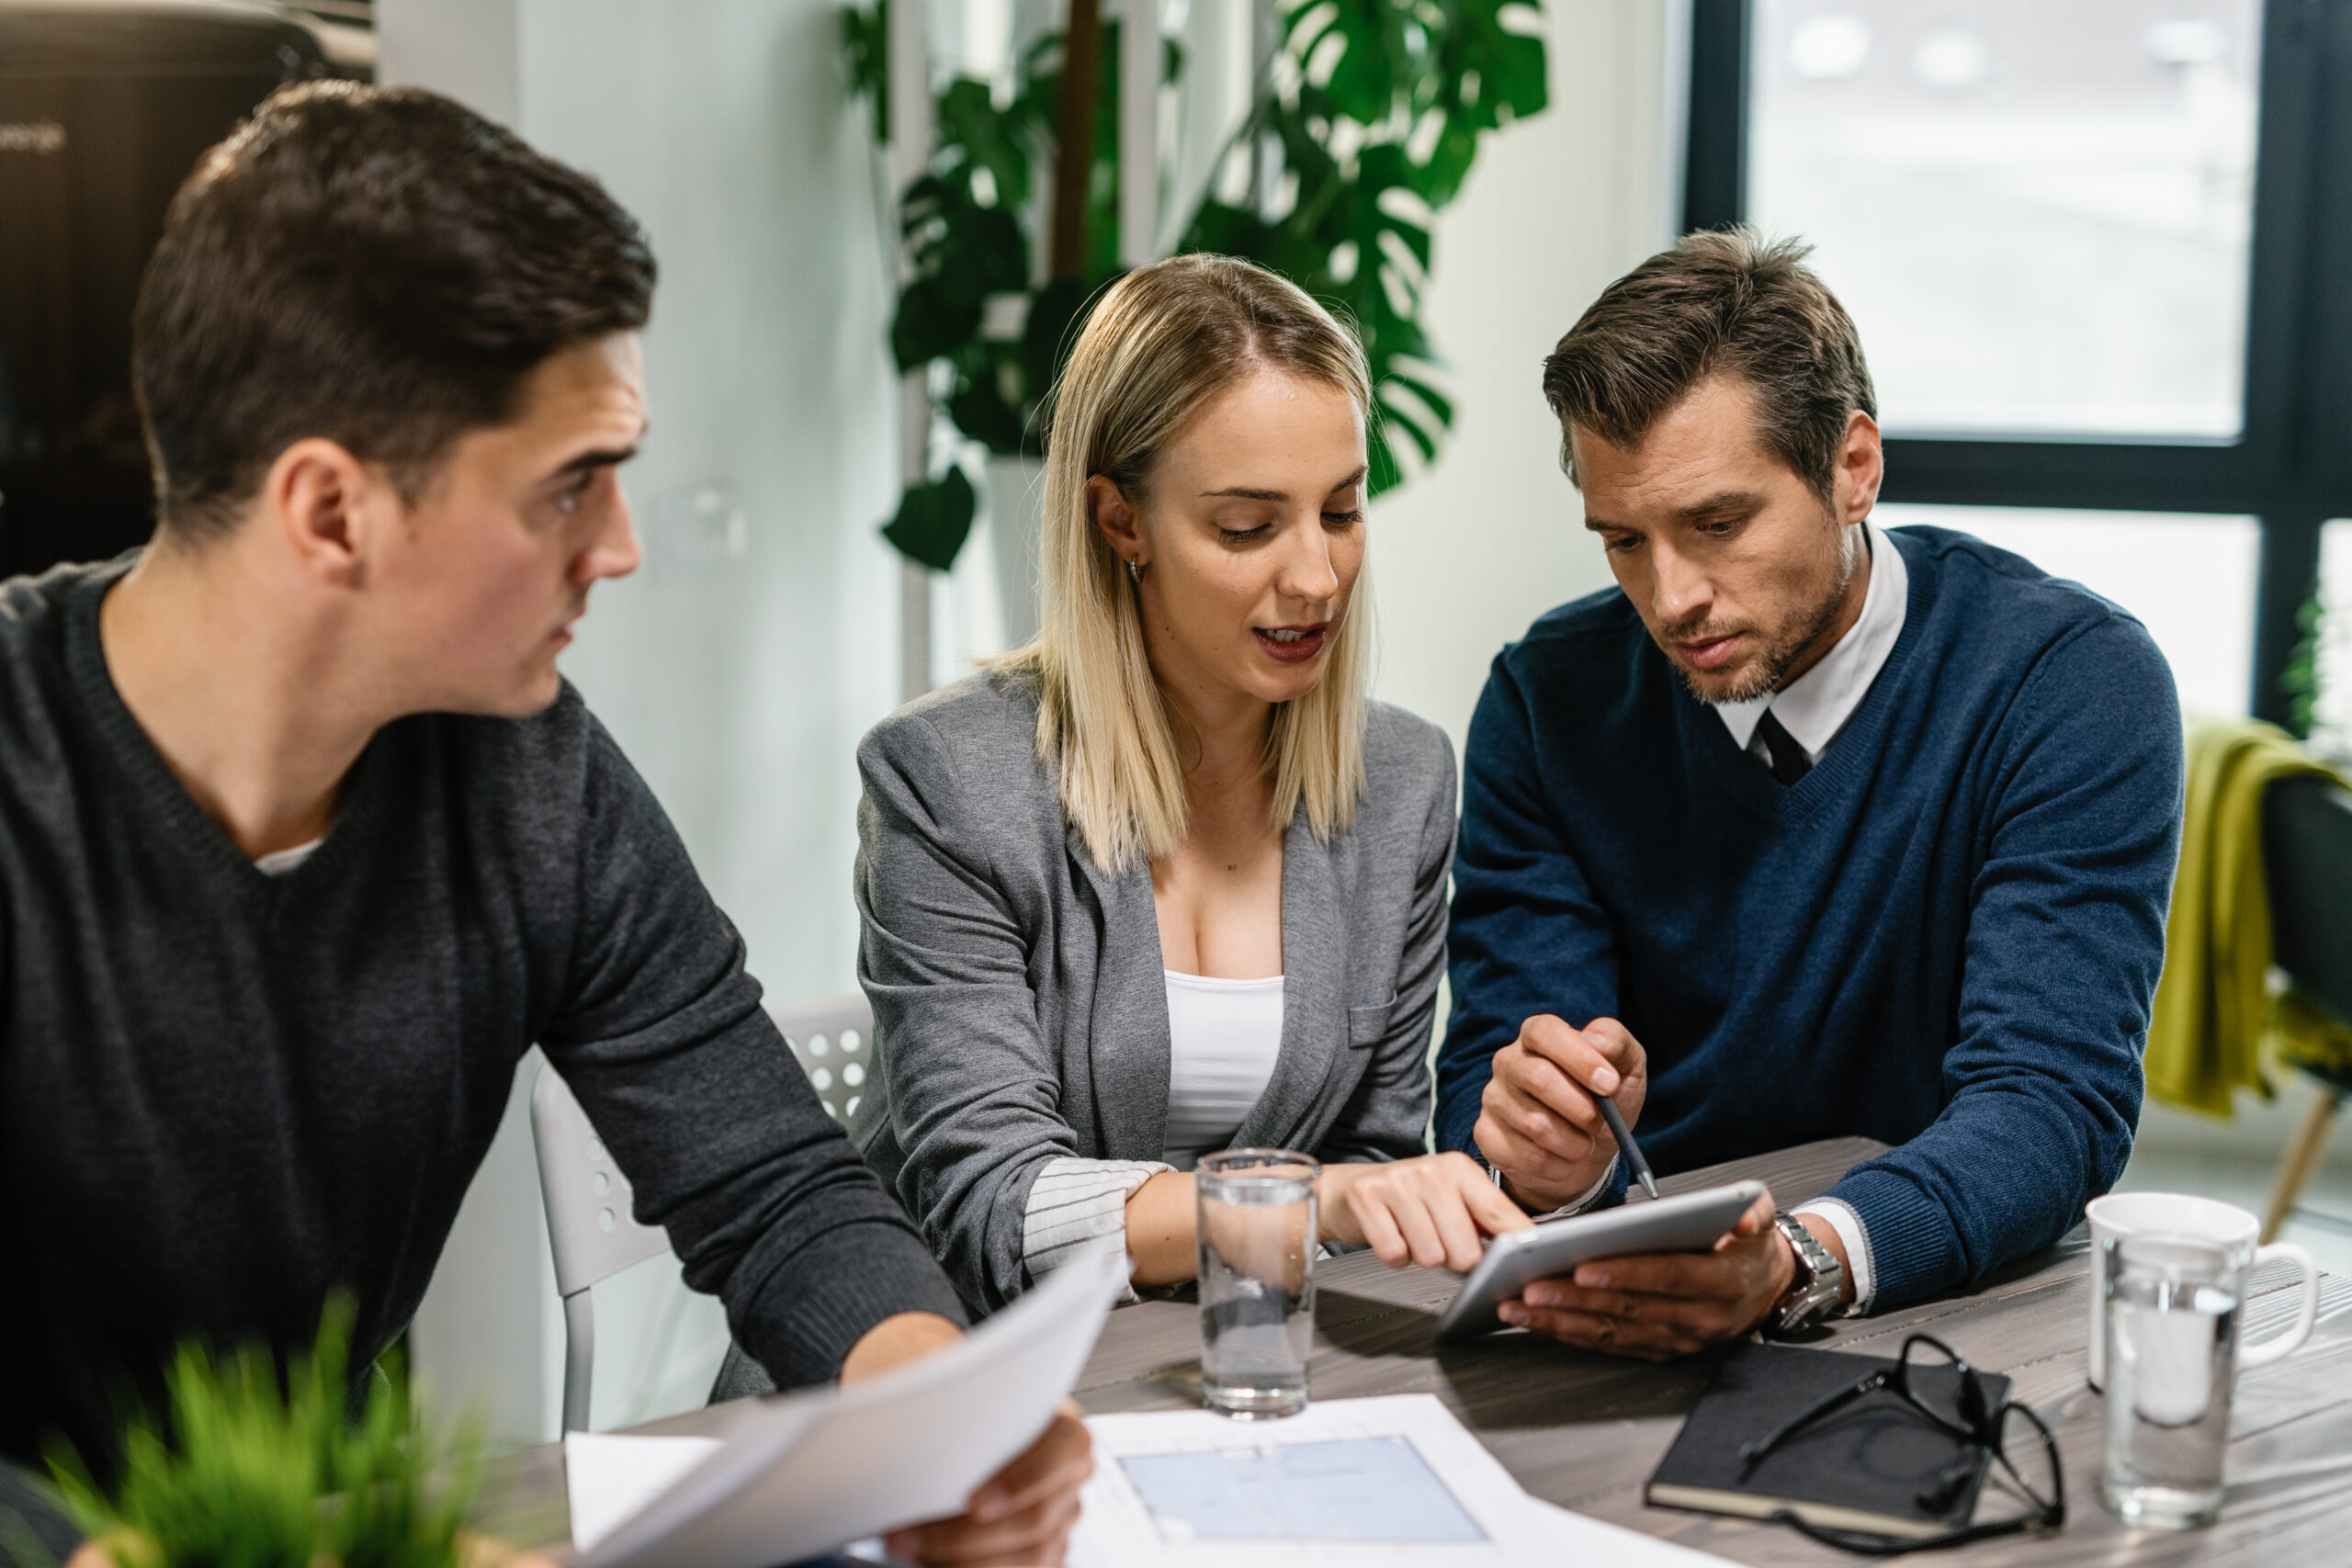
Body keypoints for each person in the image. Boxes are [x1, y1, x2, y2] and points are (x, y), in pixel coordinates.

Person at [0, 83, 1086, 1568]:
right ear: (330, 513)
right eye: (571, 485)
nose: (622, 547)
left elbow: (770, 1178)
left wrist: (930, 1407)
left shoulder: (528, 777)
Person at [1435, 230, 2184, 1357]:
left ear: (1853, 468)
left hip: (1943, 1299)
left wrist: (1802, 1258)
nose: (1672, 597)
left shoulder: (2066, 683)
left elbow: (2050, 1099)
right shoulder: (1549, 702)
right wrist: (1542, 1152)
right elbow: (1490, 1079)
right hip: (1621, 1307)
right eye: (1623, 541)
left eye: (1718, 524)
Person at [851, 255, 1532, 1313]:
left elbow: (1377, 1155)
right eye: (1246, 527)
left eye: (1341, 513)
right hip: (944, 1376)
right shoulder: (950, 781)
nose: (1314, 577)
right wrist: (1313, 1203)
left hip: (1220, 1368)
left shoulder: (1399, 780)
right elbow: (994, 1202)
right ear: (1120, 522)